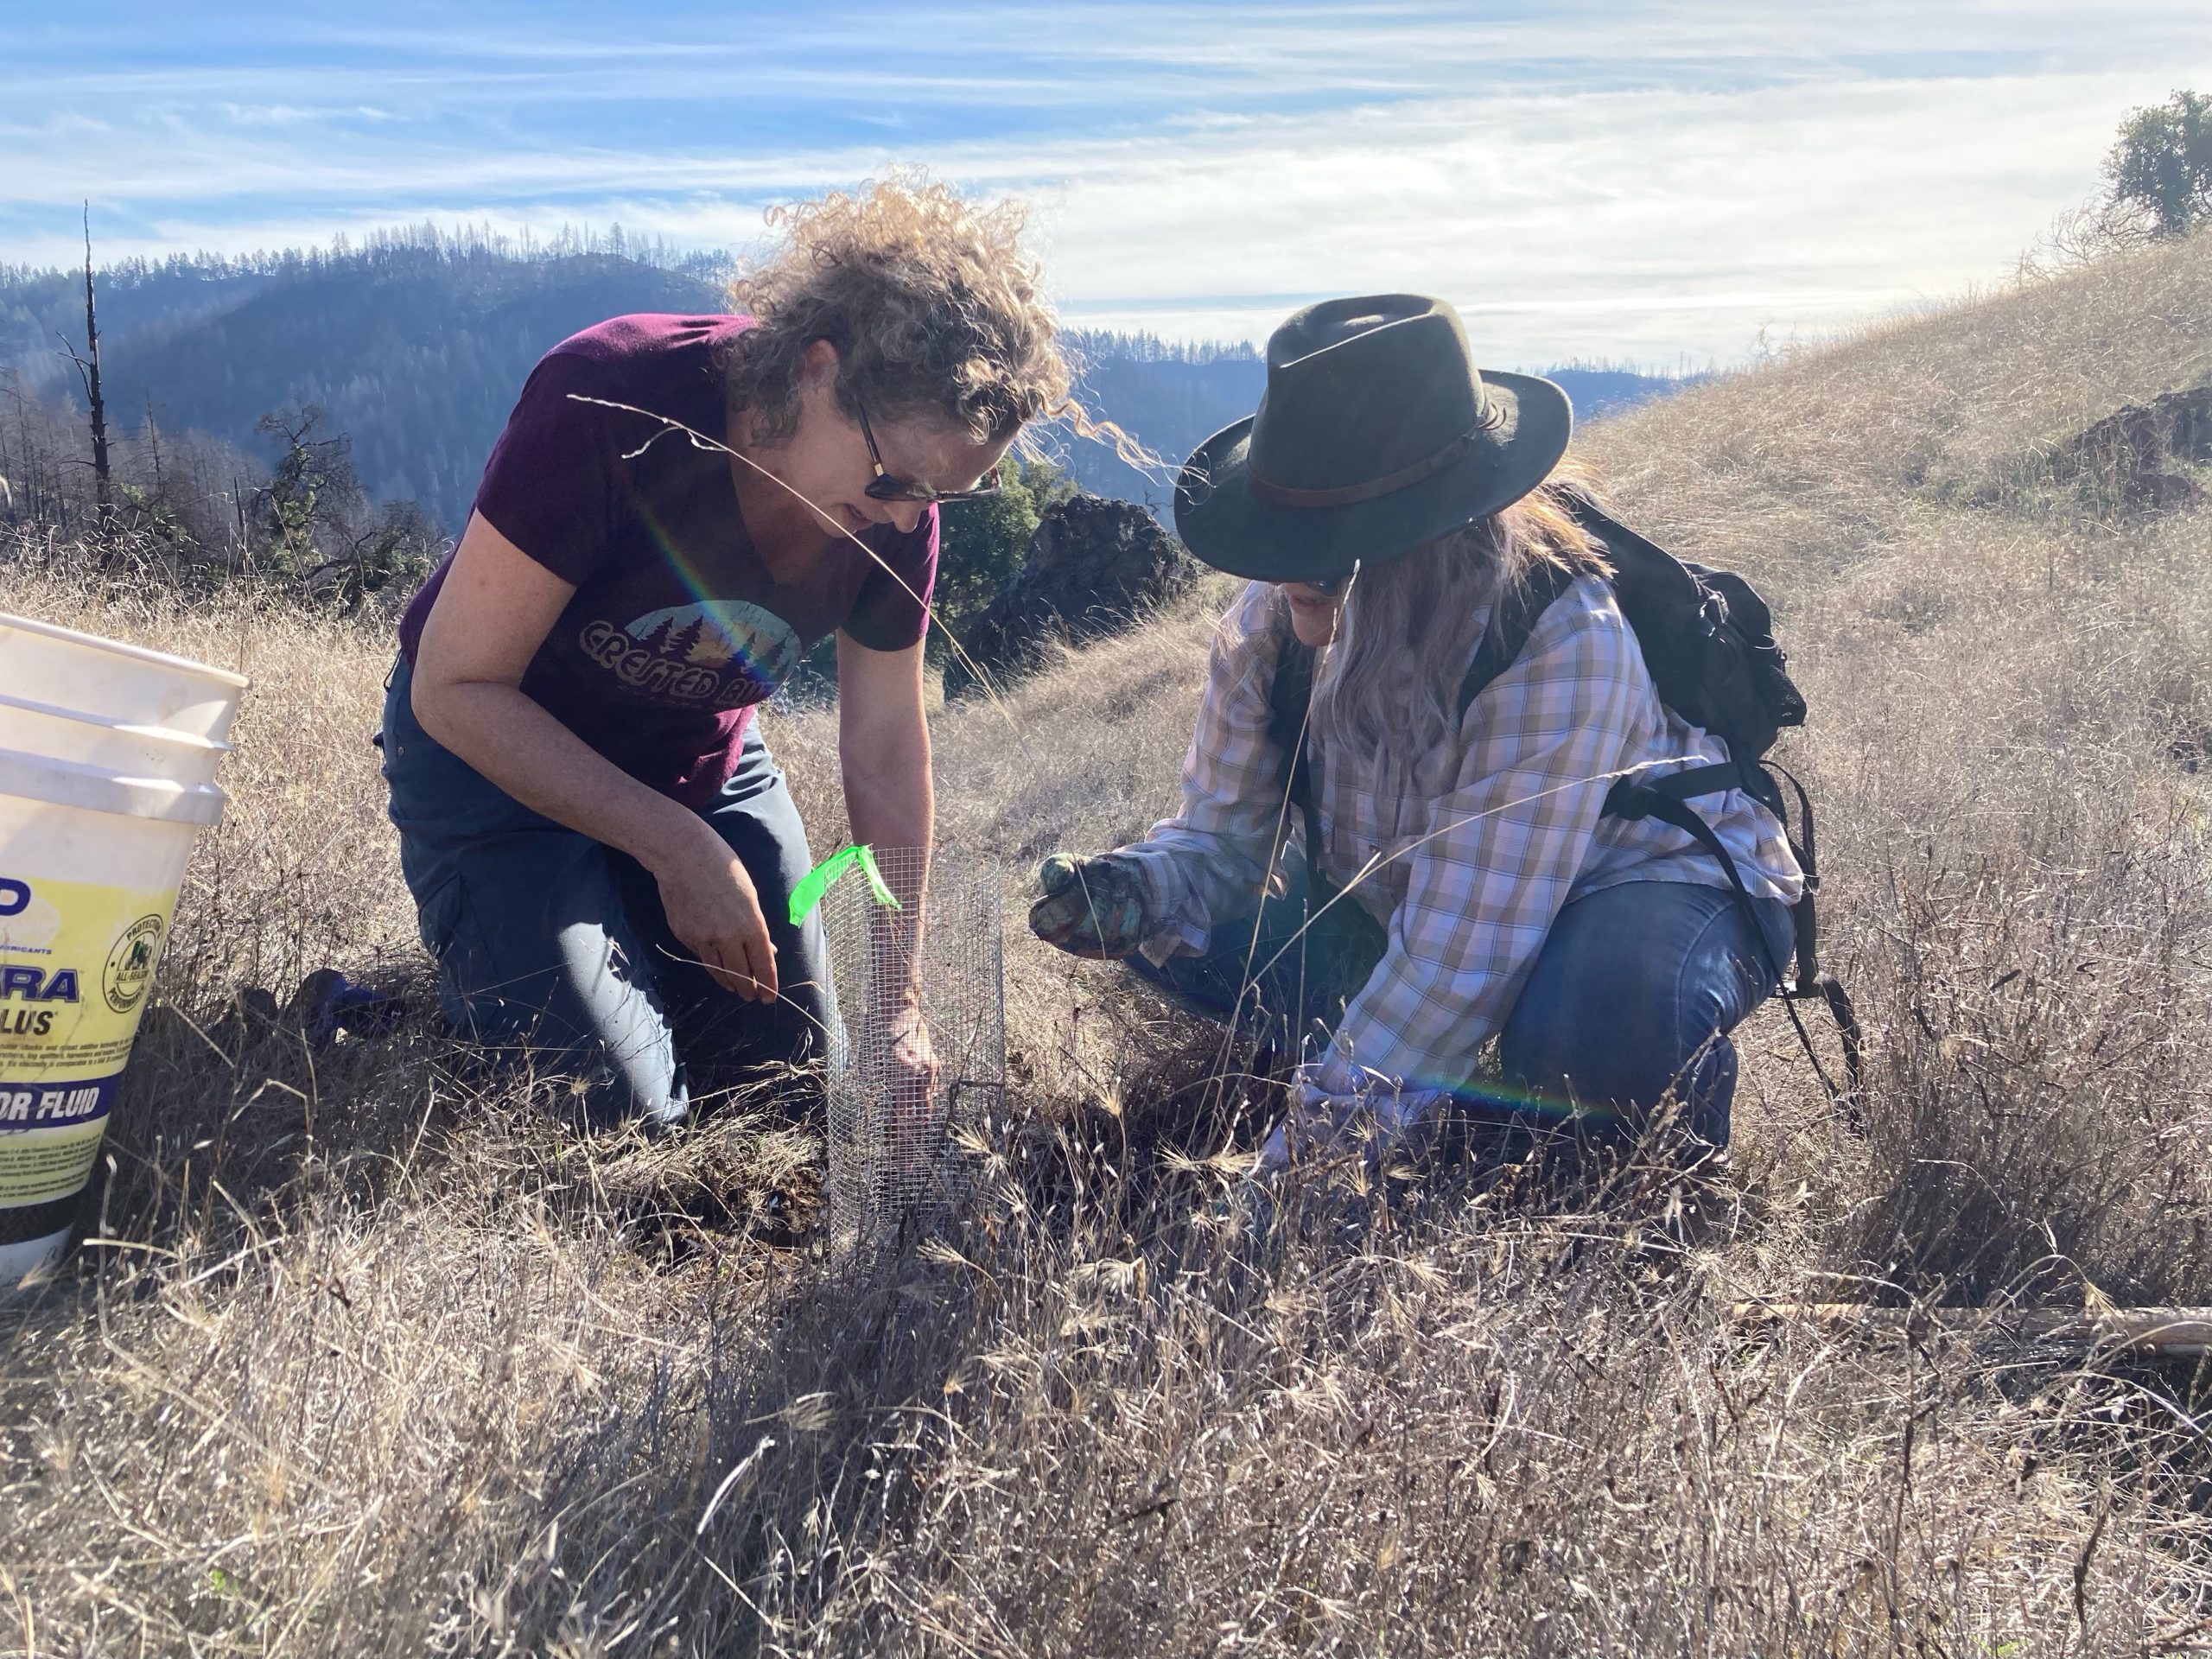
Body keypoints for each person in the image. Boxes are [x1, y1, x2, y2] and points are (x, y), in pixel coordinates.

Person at [1029, 294, 1803, 1180]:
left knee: (1603, 1017)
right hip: (1438, 903)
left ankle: (1646, 1170)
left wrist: (1284, 1188)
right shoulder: (1276, 621)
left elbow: (1456, 960)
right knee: (1187, 945)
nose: (1285, 573)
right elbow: (1227, 841)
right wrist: (1144, 884)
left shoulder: (1557, 639)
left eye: (1325, 547)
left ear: (1434, 537)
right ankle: (1450, 1093)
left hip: (1642, 887)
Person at [383, 181, 1077, 1128]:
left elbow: (883, 746)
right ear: (815, 372)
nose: (909, 518)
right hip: (498, 752)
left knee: (788, 1096)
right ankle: (438, 993)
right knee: (612, 1115)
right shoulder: (612, 396)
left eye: (949, 496)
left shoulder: (900, 512)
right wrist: (675, 846)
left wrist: (898, 1001)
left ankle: (597, 943)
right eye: (895, 481)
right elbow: (457, 687)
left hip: (698, 761)